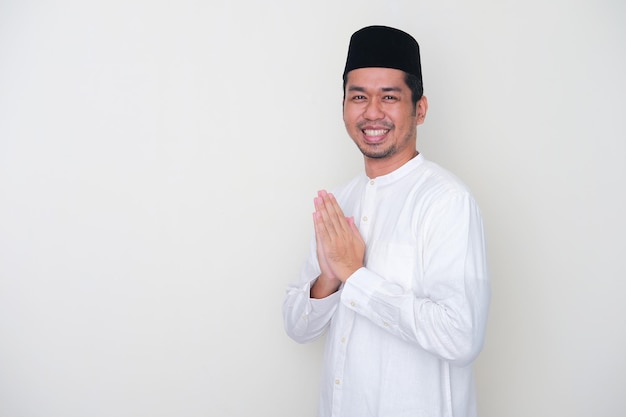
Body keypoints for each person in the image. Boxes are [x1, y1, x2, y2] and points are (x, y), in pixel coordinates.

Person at [283, 25, 490, 417]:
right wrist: (329, 279)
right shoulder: (339, 201)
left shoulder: (447, 202)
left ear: (420, 109)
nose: (372, 112)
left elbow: (461, 337)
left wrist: (356, 277)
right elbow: (298, 327)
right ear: (343, 106)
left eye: (389, 97)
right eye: (358, 96)